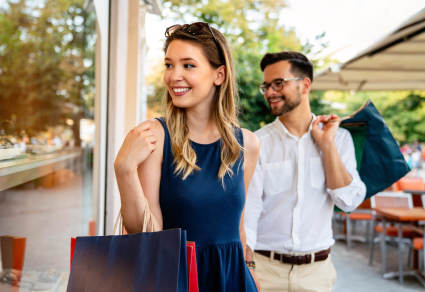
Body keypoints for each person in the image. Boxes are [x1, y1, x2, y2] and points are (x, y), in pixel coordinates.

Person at [114, 22, 260, 291]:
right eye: (169, 65)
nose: (173, 76)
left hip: (234, 279)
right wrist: (123, 169)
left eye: (188, 65)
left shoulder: (246, 144)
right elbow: (145, 233)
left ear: (219, 75)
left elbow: (238, 225)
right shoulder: (156, 136)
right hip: (178, 280)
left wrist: (249, 270)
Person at [244, 51, 366, 292]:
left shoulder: (339, 139)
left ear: (305, 85)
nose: (270, 92)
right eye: (266, 86)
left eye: (278, 83)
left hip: (316, 273)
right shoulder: (258, 143)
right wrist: (248, 266)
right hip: (266, 270)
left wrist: (326, 145)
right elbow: (249, 212)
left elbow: (349, 201)